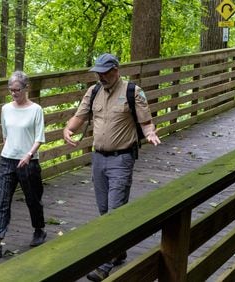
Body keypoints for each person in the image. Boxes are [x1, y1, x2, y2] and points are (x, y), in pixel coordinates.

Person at [63, 53, 161, 281]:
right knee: (104, 210)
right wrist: (68, 130)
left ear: (116, 70)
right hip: (98, 159)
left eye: (105, 72)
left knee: (115, 212)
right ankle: (119, 251)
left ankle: (104, 264)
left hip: (121, 159)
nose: (101, 76)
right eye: (98, 72)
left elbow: (146, 123)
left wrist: (150, 134)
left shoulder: (132, 92)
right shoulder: (94, 91)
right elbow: (79, 116)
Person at [0, 71, 46, 259]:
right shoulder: (6, 109)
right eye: (11, 90)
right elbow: (5, 134)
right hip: (7, 159)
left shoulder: (36, 110)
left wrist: (28, 154)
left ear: (26, 88)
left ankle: (39, 230)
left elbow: (39, 138)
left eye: (17, 90)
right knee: (2, 200)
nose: (14, 93)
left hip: (29, 161)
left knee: (32, 199)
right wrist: (12, 151)